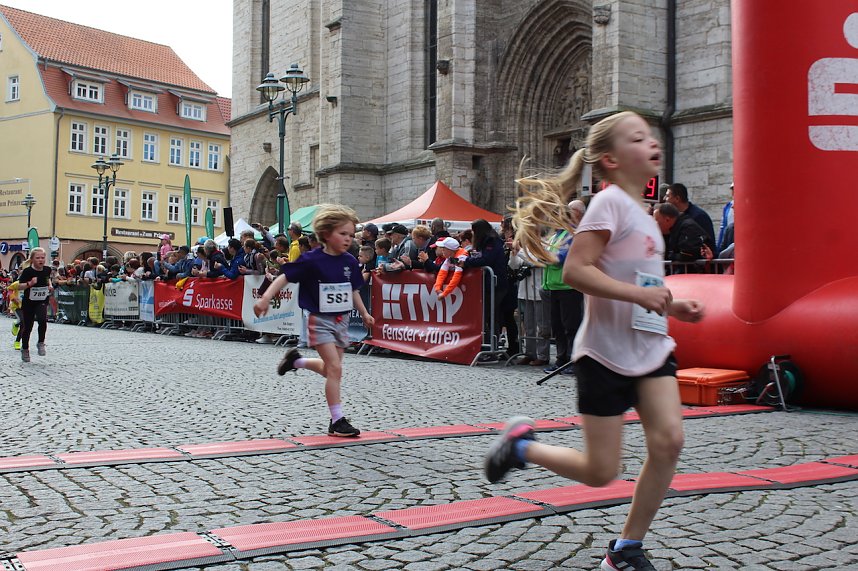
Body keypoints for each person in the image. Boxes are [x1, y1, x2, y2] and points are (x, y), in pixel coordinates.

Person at [486, 111, 704, 571]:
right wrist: (640, 294)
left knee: (669, 441)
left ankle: (625, 549)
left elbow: (641, 279)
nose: (651, 141)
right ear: (609, 158)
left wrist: (671, 303)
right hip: (604, 354)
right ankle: (522, 446)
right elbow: (575, 271)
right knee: (600, 471)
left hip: (650, 348)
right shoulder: (607, 205)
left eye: (651, 134)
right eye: (638, 137)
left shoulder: (646, 216)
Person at [254, 204, 374, 437]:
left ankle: (296, 361)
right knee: (335, 368)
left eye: (351, 234)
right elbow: (284, 277)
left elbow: (353, 290)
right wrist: (265, 298)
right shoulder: (311, 260)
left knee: (332, 369)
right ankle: (337, 421)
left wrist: (365, 312)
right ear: (326, 234)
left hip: (342, 320)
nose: (348, 239)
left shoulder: (349, 261)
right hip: (319, 319)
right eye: (343, 234)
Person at [17, 247, 54, 362]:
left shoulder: (47, 269)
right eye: (38, 258)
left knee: (43, 320)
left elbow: (47, 278)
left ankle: (41, 342)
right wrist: (30, 283)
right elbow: (19, 286)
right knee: (27, 327)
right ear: (32, 259)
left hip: (42, 300)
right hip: (29, 302)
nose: (40, 260)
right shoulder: (28, 271)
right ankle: (25, 349)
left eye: (42, 258)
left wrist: (50, 285)